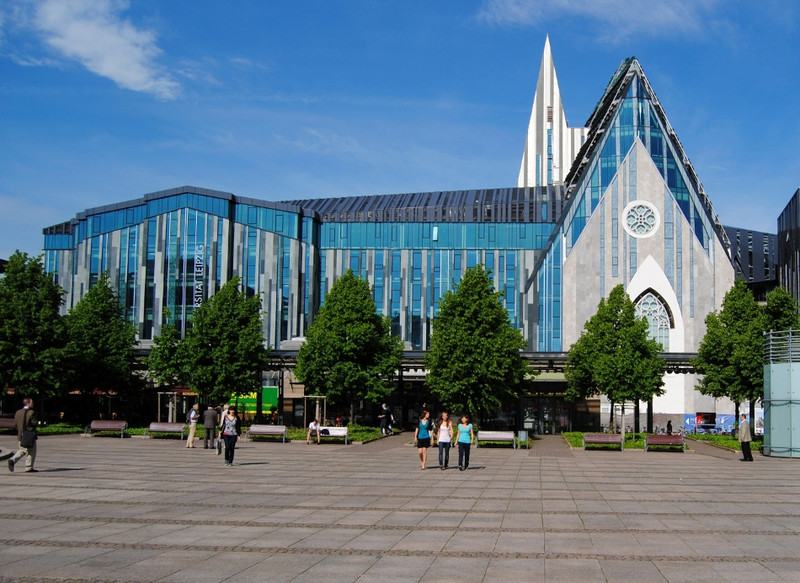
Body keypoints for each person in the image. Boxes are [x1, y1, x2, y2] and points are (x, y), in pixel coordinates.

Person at [8, 398, 38, 473]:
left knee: (23, 449)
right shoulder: (31, 412)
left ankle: (12, 460)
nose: (33, 403)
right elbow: (34, 423)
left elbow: (15, 424)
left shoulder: (18, 412)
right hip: (29, 434)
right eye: (32, 402)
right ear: (28, 403)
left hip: (20, 434)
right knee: (31, 450)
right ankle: (28, 467)